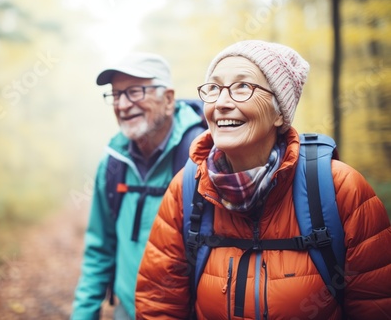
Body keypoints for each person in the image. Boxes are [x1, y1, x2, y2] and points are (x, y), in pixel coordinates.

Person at [135, 40, 391, 319]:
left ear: (279, 112)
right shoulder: (187, 189)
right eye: (214, 89)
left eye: (242, 86)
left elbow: (375, 304)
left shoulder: (341, 189)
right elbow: (159, 304)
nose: (221, 103)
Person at [71, 52, 205, 319]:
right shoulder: (113, 162)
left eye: (134, 92)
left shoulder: (201, 157)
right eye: (115, 95)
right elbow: (100, 248)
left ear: (168, 100)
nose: (122, 104)